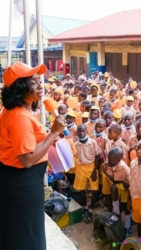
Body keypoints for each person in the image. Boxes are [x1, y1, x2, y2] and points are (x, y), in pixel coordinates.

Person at [0, 62, 66, 250]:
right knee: (27, 235)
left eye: (40, 81)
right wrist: (53, 133)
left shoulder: (18, 111)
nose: (40, 86)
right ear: (20, 88)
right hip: (22, 185)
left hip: (15, 182)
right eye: (34, 82)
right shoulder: (19, 117)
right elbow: (27, 159)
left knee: (17, 231)